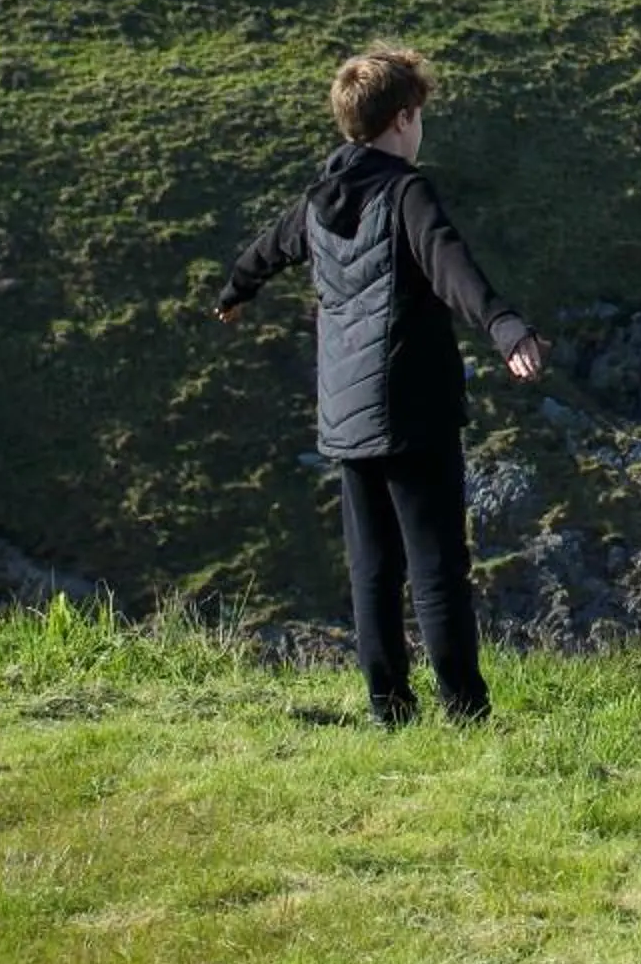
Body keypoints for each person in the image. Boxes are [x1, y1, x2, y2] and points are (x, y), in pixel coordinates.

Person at [215, 48, 546, 725]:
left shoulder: (317, 201)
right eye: (420, 115)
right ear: (404, 118)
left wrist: (234, 290)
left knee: (372, 570)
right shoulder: (406, 191)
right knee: (436, 569)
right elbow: (450, 261)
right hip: (412, 405)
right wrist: (506, 327)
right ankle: (465, 713)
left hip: (345, 411)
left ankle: (388, 710)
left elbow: (265, 250)